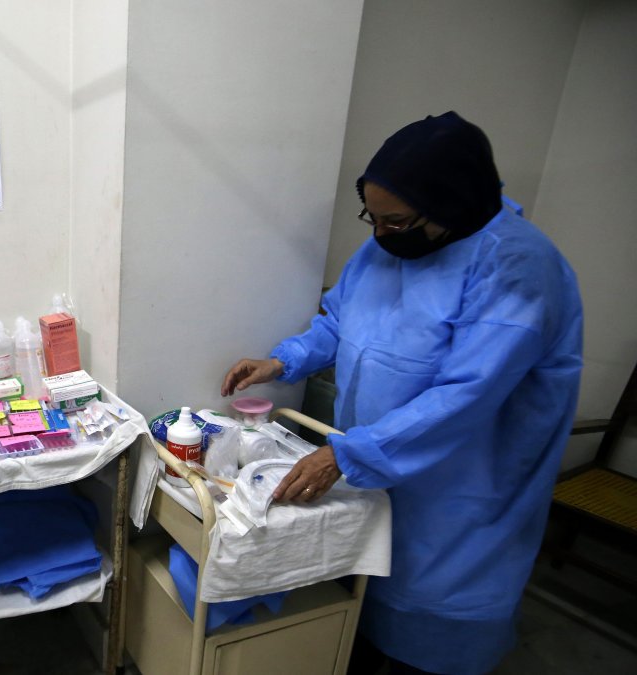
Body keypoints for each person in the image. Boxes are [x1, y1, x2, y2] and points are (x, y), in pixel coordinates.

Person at [222, 112, 582, 674]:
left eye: (396, 221)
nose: (380, 234)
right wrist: (281, 360)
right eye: (373, 217)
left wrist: (349, 454)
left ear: (453, 204)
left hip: (462, 485)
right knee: (365, 603)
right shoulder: (386, 247)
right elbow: (340, 321)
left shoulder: (517, 269)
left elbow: (467, 394)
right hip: (372, 460)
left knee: (436, 618)